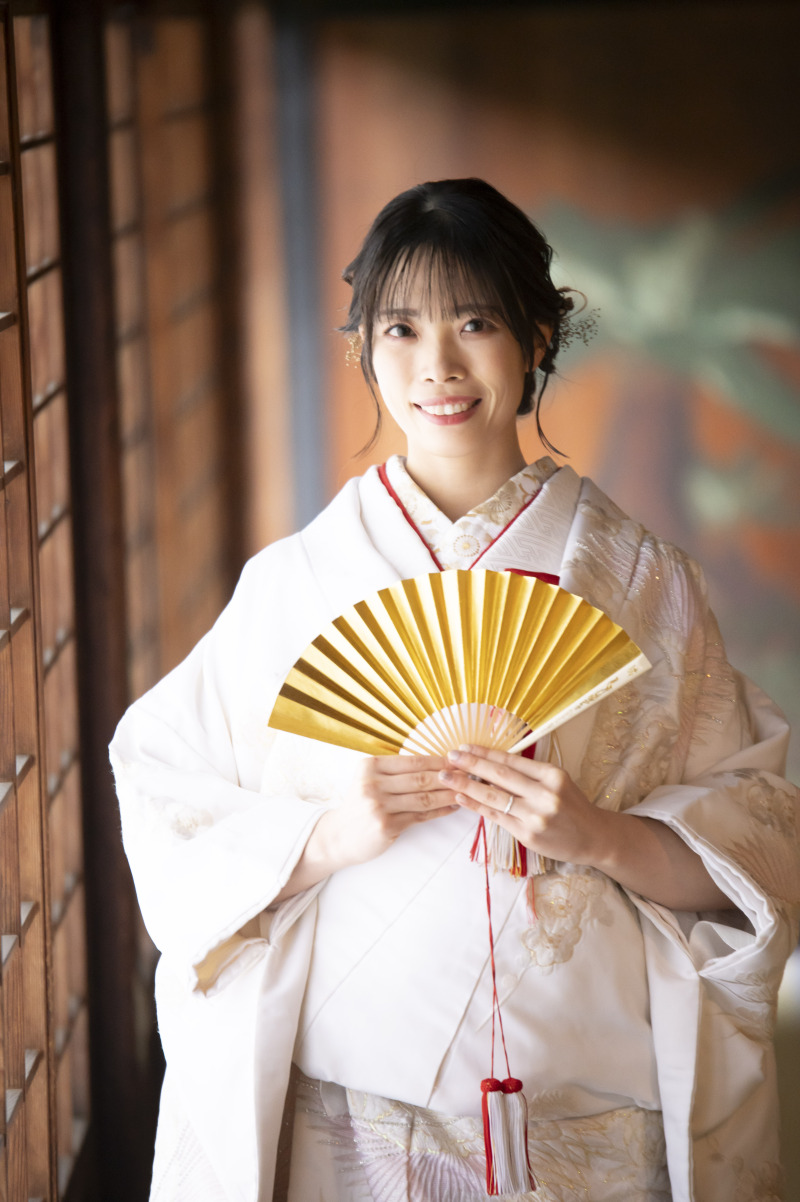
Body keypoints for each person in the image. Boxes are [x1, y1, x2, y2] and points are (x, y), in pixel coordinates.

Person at [111, 179, 800, 1202]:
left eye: (473, 321)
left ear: (534, 336)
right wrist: (324, 838)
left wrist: (599, 835)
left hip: (593, 1124)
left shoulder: (642, 585)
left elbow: (762, 834)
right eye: (400, 327)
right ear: (360, 348)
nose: (436, 364)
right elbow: (164, 784)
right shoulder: (296, 585)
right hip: (347, 1121)